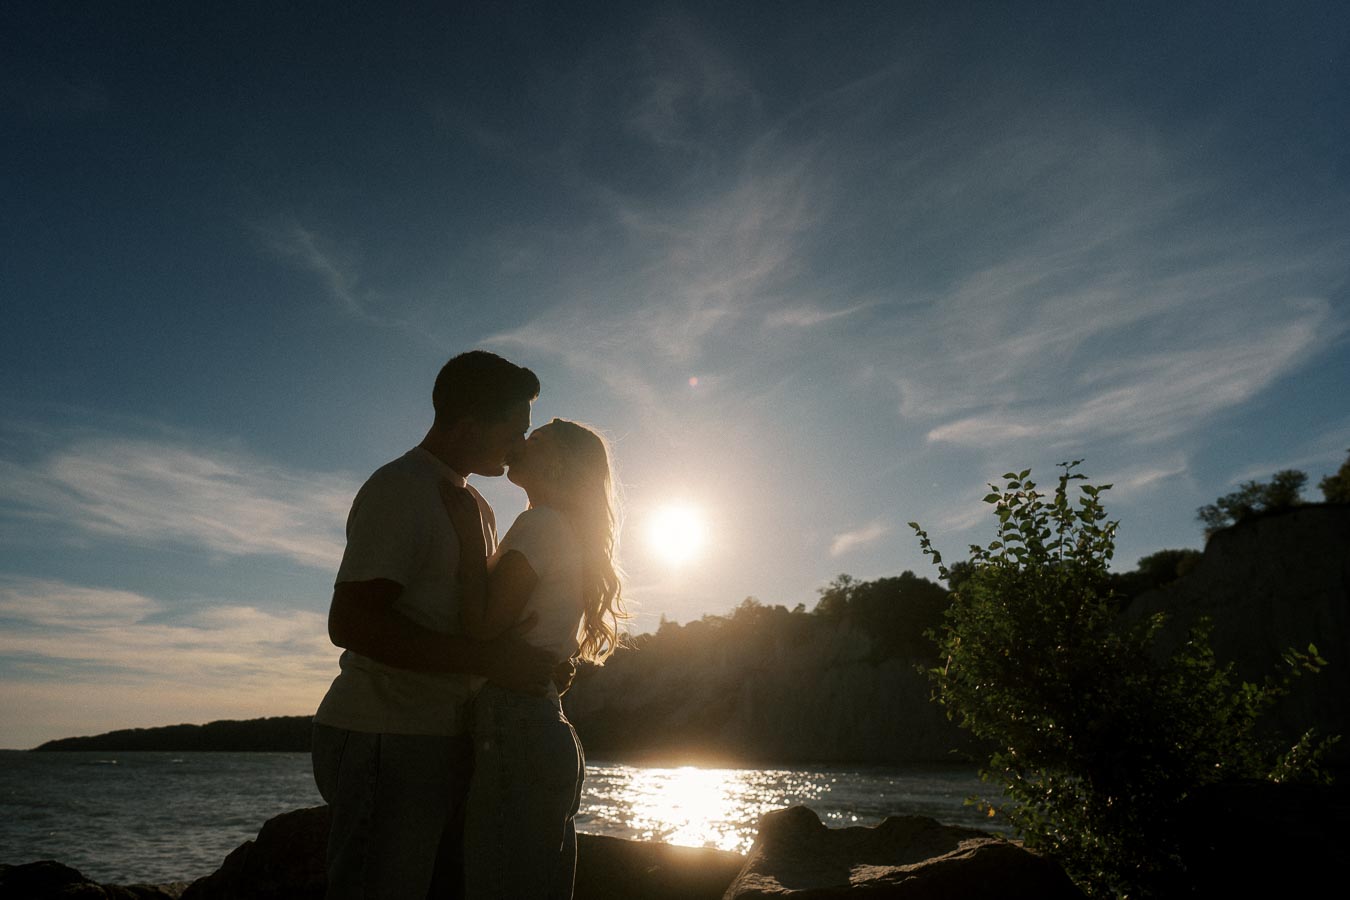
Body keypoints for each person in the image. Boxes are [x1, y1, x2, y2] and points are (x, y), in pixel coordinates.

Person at [311, 350, 556, 900]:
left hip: (437, 736)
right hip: (385, 733)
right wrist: (492, 663)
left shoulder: (474, 503)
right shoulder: (402, 488)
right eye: (514, 430)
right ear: (469, 425)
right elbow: (350, 622)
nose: (520, 445)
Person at [440, 418, 626, 900]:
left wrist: (464, 534)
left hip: (514, 723)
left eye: (536, 440)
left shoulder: (541, 523)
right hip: (538, 722)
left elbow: (482, 623)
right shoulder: (563, 529)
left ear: (559, 463)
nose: (519, 444)